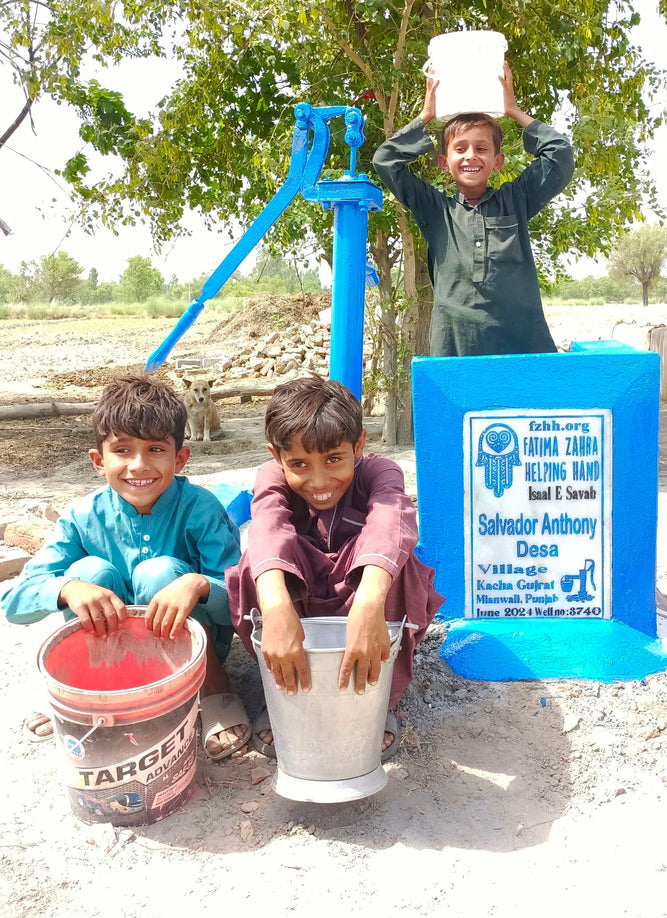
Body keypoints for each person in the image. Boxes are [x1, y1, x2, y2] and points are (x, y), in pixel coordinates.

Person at [1, 375, 248, 758]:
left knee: (160, 573)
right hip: (110, 649)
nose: (138, 465)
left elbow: (239, 597)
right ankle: (92, 690)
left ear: (180, 458)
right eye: (122, 450)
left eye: (155, 449)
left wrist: (198, 584)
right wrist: (65, 589)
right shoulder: (82, 516)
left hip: (194, 651)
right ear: (99, 461)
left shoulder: (200, 508)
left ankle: (211, 686)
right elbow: (13, 603)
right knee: (88, 574)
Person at [227, 375, 443, 760]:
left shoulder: (380, 472)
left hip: (363, 606)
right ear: (277, 457)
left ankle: (376, 700)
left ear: (358, 446)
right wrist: (276, 607)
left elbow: (391, 521)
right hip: (301, 602)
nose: (319, 480)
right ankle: (282, 693)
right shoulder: (270, 477)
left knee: (398, 564)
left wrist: (368, 603)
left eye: (333, 459)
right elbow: (267, 527)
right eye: (299, 464)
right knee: (254, 567)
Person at [372, 62, 574, 357]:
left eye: (482, 149)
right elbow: (384, 161)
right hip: (455, 350)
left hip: (520, 348)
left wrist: (514, 111)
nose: (471, 156)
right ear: (444, 162)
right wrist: (426, 115)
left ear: (498, 161)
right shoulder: (436, 209)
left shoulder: (516, 200)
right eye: (460, 148)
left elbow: (560, 155)